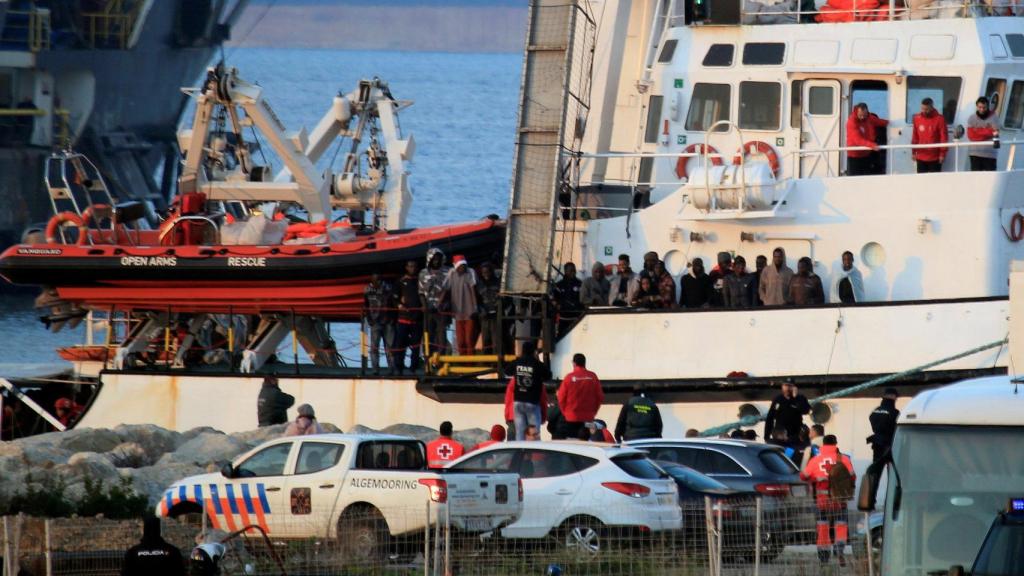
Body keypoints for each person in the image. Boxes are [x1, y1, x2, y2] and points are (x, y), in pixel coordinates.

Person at [801, 435, 856, 566]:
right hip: (839, 500)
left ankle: (824, 557)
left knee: (823, 528)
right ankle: (839, 551)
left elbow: (804, 476)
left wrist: (815, 479)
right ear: (836, 444)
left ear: (823, 445)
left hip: (822, 501)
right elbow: (853, 477)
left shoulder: (815, 460)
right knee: (841, 526)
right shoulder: (844, 459)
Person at [556, 353, 604, 440]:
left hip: (571, 417)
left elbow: (561, 397)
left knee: (573, 443)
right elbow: (600, 396)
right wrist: (593, 412)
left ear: (574, 363)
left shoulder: (569, 377)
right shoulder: (592, 377)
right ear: (584, 363)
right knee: (585, 442)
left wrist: (565, 413)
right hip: (588, 417)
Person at [510, 341, 551, 441]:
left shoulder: (517, 362)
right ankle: (534, 454)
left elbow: (506, 370)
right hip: (532, 402)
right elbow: (548, 375)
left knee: (519, 432)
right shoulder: (536, 364)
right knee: (534, 433)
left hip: (518, 401)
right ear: (534, 352)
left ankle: (520, 452)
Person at [444, 255, 479, 356]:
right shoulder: (451, 273)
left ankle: (470, 364)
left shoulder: (470, 272)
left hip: (470, 312)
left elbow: (473, 289)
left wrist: (475, 307)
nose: (462, 267)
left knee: (469, 340)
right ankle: (462, 362)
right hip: (457, 312)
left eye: (464, 265)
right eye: (460, 265)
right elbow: (445, 288)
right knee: (460, 342)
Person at [419, 247, 450, 355]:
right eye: (434, 258)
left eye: (438, 258)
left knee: (441, 334)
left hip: (441, 310)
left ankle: (441, 357)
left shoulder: (448, 272)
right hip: (428, 310)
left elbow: (449, 291)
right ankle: (428, 357)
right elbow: (421, 293)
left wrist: (444, 304)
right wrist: (424, 306)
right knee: (428, 334)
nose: (436, 260)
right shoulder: (423, 273)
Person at [394, 259, 423, 373]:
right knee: (400, 345)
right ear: (406, 267)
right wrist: (399, 305)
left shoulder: (419, 281)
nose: (412, 269)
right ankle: (399, 367)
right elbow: (394, 297)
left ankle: (414, 368)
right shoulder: (400, 281)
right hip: (403, 319)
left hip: (417, 319)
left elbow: (423, 296)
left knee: (416, 347)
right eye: (410, 266)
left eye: (414, 266)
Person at [363, 273, 395, 375]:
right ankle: (375, 369)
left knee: (390, 346)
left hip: (387, 320)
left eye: (379, 279)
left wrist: (392, 318)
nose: (377, 282)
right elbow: (365, 304)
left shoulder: (388, 288)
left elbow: (393, 302)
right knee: (374, 347)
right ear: (371, 280)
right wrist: (369, 318)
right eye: (375, 280)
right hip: (375, 321)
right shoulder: (367, 289)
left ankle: (392, 369)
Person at [845, 103, 888, 176]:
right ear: (856, 112)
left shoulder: (869, 118)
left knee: (867, 176)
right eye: (860, 115)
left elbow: (880, 122)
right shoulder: (851, 122)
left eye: (864, 115)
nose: (862, 117)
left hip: (866, 154)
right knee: (854, 179)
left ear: (867, 112)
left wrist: (891, 123)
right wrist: (872, 145)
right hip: (854, 155)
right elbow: (857, 140)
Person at [911, 97, 948, 173]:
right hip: (921, 156)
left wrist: (942, 154)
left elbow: (943, 137)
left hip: (935, 157)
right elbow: (915, 136)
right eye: (922, 108)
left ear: (931, 107)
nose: (924, 111)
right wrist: (913, 151)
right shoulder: (917, 118)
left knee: (935, 182)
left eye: (926, 109)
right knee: (921, 181)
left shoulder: (940, 119)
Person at [867, 388, 900, 465]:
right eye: (896, 397)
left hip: (877, 443)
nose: (896, 399)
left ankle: (871, 476)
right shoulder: (895, 412)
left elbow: (871, 418)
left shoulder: (876, 410)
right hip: (889, 444)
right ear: (892, 396)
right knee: (892, 469)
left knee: (876, 468)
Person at [476, 261, 503, 354]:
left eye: (487, 272)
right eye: (483, 272)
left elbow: (503, 297)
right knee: (486, 339)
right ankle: (486, 361)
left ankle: (497, 361)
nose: (485, 274)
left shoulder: (498, 283)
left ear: (491, 272)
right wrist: (481, 310)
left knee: (496, 339)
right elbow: (477, 300)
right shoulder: (479, 284)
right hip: (484, 316)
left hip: (496, 314)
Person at [967, 96, 999, 172]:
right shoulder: (972, 118)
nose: (981, 109)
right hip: (975, 153)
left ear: (987, 106)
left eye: (984, 107)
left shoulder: (994, 117)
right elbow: (971, 136)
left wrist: (977, 131)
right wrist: (987, 131)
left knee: (990, 177)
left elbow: (996, 132)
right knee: (975, 178)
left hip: (990, 154)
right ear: (977, 106)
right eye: (980, 107)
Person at [553, 262, 583, 337]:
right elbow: (554, 298)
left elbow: (583, 298)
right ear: (566, 271)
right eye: (571, 271)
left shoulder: (580, 284)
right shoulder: (559, 285)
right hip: (563, 318)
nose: (573, 272)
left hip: (576, 318)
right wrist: (557, 305)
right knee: (561, 337)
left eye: (574, 270)